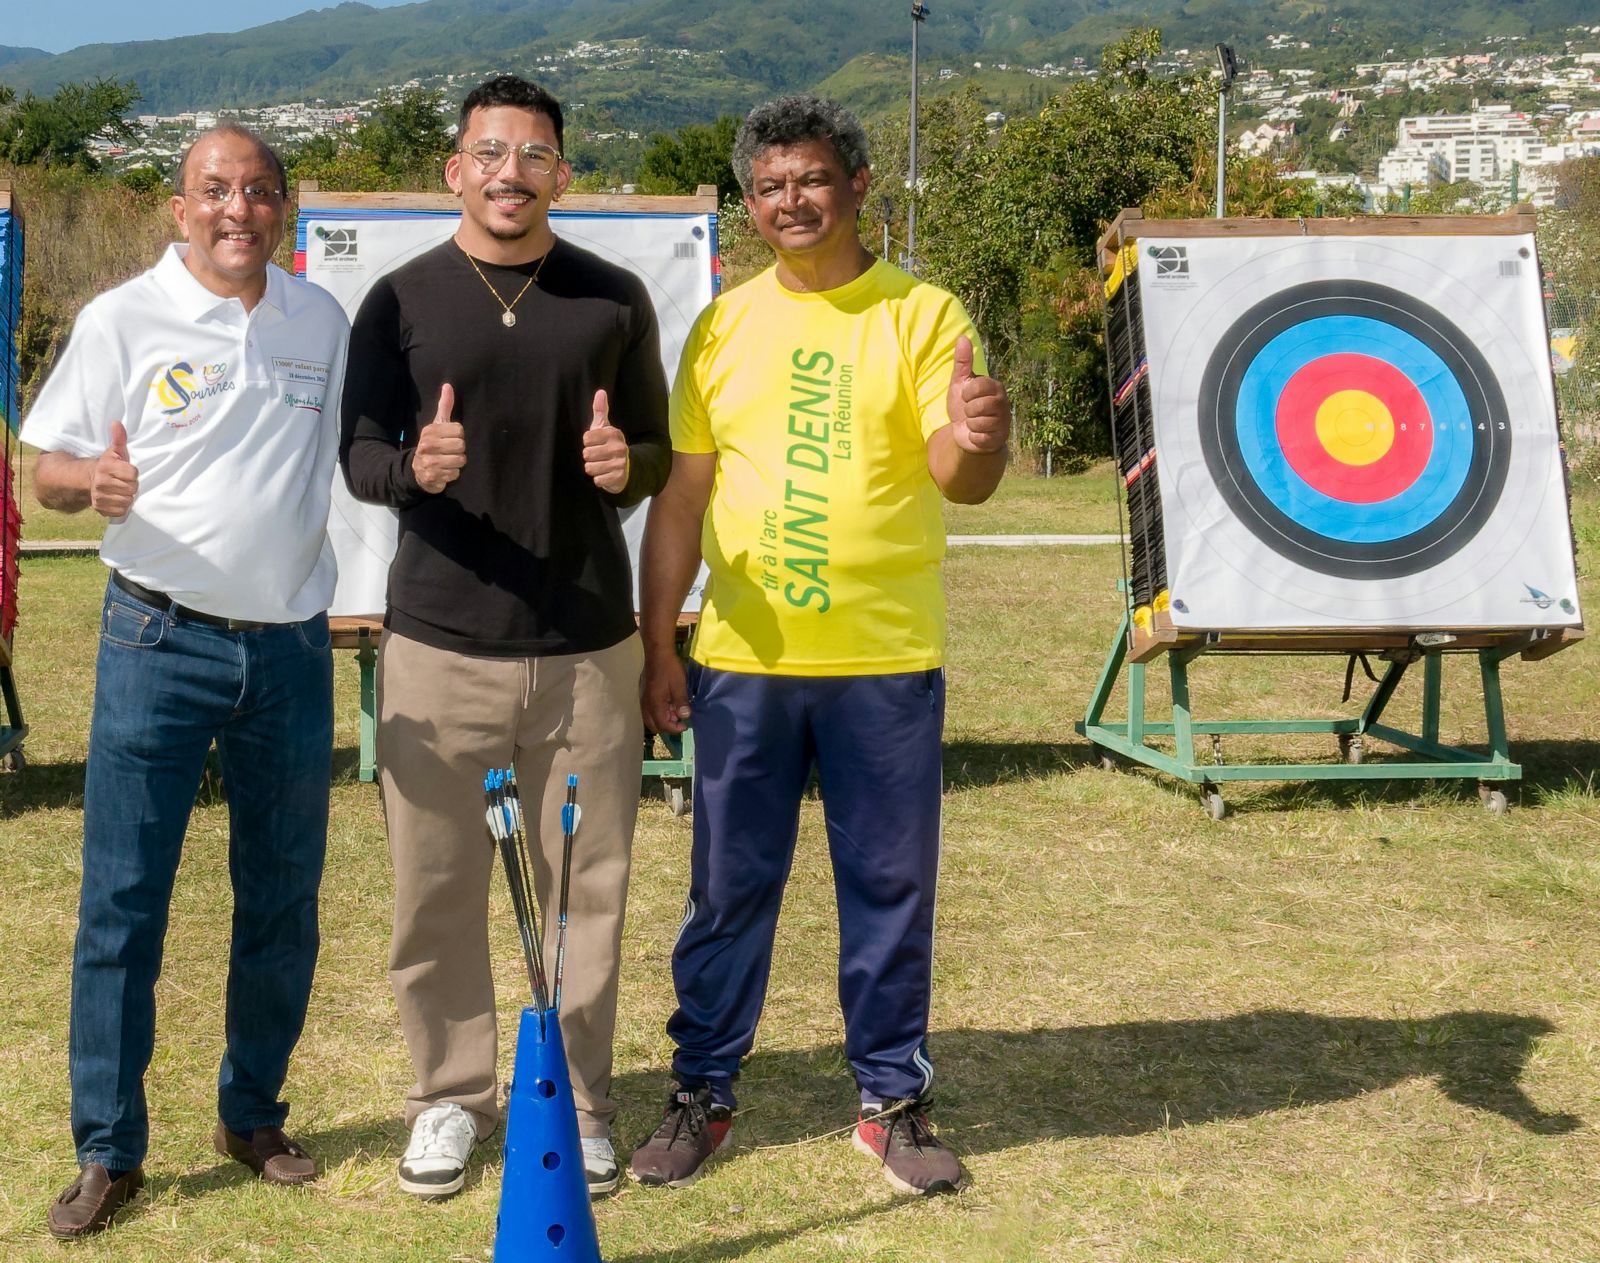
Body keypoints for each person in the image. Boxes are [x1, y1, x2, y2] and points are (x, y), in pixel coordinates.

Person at [632, 95, 1011, 1197]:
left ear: (854, 187)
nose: (790, 202)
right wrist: (663, 645)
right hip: (745, 665)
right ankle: (701, 1090)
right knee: (724, 891)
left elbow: (962, 474)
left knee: (889, 888)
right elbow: (679, 504)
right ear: (749, 206)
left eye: (810, 180)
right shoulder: (720, 325)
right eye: (768, 187)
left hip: (883, 661)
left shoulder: (923, 314)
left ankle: (891, 1102)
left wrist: (980, 438)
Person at [340, 74, 670, 1201]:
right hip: (437, 645)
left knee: (588, 890)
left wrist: (633, 466)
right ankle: (448, 1097)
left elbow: (660, 450)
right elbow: (359, 451)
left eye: (533, 156)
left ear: (561, 175)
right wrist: (408, 472)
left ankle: (579, 1101)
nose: (509, 175)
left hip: (586, 647)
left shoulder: (614, 299)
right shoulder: (397, 301)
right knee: (433, 895)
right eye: (489, 153)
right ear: (455, 170)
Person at [23, 127, 350, 1239]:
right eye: (216, 190)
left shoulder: (319, 320)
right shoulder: (123, 317)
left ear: (285, 210)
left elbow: (352, 460)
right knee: (123, 905)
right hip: (156, 642)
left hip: (293, 650)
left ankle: (252, 1114)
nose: (238, 210)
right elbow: (44, 469)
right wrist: (90, 479)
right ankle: (108, 1152)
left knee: (282, 897)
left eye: (260, 192)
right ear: (180, 206)